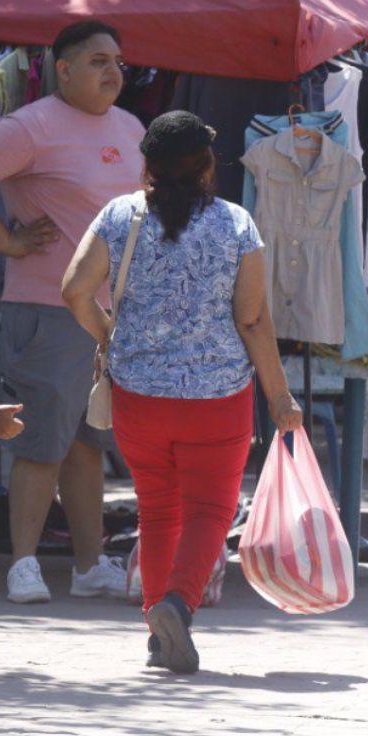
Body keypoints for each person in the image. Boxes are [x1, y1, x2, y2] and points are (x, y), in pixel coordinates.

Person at [62, 111, 302, 674]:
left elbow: (74, 289)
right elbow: (252, 320)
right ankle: (177, 606)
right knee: (211, 510)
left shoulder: (120, 216)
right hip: (216, 397)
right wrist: (280, 396)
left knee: (159, 509)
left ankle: (156, 631)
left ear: (146, 165)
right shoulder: (236, 225)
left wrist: (109, 338)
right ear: (207, 166)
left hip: (138, 396)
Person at [0, 20, 144, 604]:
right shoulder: (31, 124)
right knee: (37, 436)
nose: (112, 71)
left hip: (110, 317)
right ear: (62, 70)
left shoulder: (132, 126)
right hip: (45, 306)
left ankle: (89, 566)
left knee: (86, 442)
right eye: (96, 61)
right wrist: (4, 240)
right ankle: (23, 565)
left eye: (117, 60)